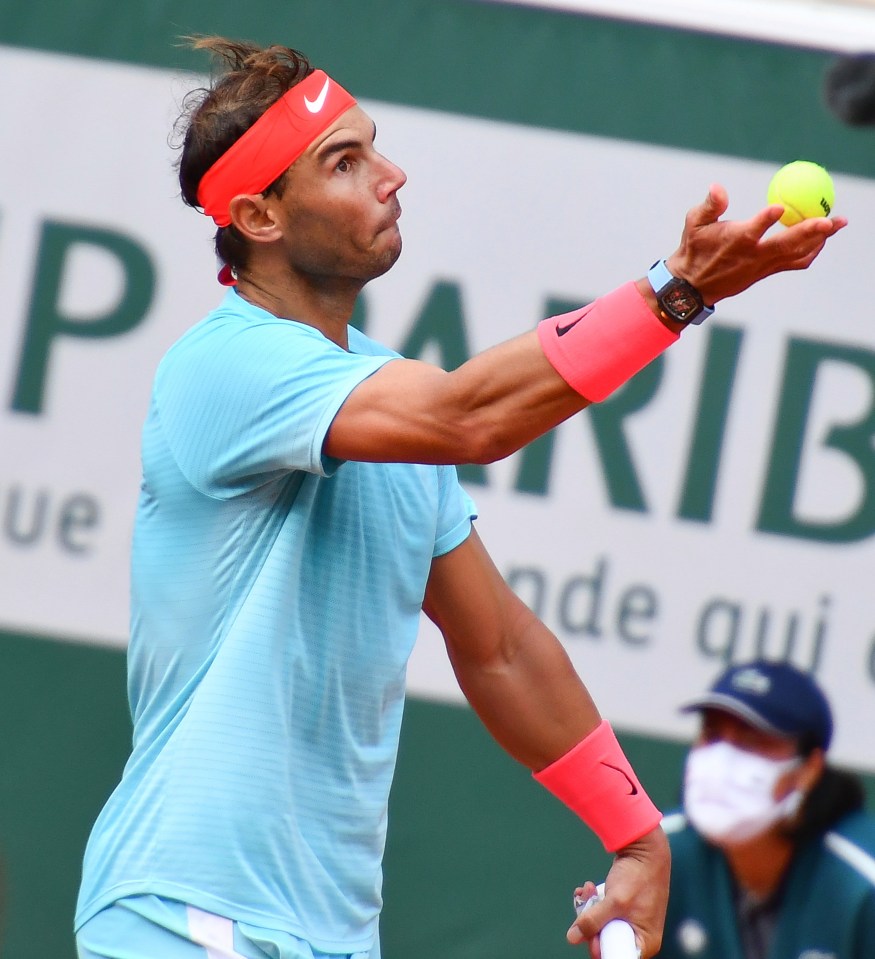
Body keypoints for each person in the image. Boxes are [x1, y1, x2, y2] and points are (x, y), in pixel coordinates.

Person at [73, 36, 845, 959]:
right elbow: (468, 417)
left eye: (374, 146)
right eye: (344, 162)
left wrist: (636, 836)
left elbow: (501, 646)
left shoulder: (382, 394)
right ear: (259, 215)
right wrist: (673, 291)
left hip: (332, 932)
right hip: (182, 906)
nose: (392, 176)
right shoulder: (222, 364)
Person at [661, 659, 875, 959]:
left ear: (809, 770)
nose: (722, 759)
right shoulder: (659, 853)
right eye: (712, 735)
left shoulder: (862, 884)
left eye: (752, 740)